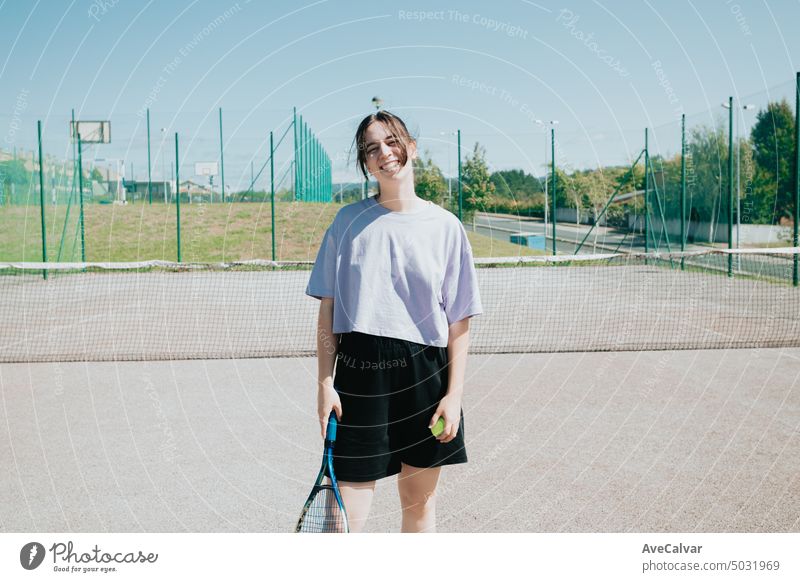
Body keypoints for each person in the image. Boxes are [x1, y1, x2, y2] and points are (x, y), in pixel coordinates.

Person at [305, 110, 482, 533]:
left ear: (411, 147)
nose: (384, 153)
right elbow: (327, 310)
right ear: (366, 163)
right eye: (371, 148)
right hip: (360, 373)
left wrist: (454, 396)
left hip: (426, 373)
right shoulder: (347, 222)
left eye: (391, 141)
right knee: (345, 517)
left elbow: (459, 321)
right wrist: (325, 383)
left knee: (418, 506)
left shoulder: (446, 227)